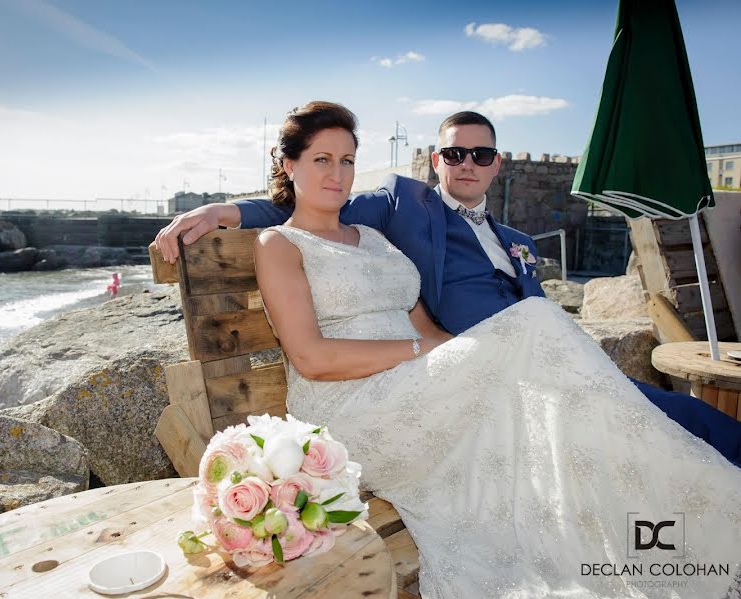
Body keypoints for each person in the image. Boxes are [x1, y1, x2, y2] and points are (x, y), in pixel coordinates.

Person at [257, 101, 741, 597]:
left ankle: (680, 530)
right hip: (350, 405)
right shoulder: (280, 245)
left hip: (415, 383)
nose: (338, 173)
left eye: (347, 160)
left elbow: (430, 333)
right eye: (322, 159)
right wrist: (427, 350)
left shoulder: (377, 241)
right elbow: (312, 358)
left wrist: (467, 355)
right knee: (538, 331)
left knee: (575, 406)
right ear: (289, 164)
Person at [155, 113, 741, 469]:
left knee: (676, 416)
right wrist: (224, 209)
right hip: (476, 370)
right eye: (454, 153)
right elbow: (314, 201)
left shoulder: (515, 237)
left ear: (496, 164)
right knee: (673, 422)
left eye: (479, 154)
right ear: (436, 159)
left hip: (547, 360)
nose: (466, 163)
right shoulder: (400, 206)